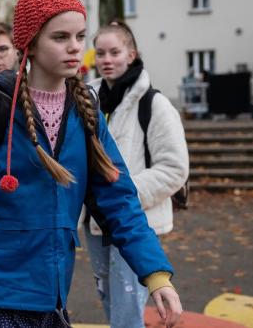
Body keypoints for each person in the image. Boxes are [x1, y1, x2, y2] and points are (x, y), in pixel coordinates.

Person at [0, 0, 183, 327]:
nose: (75, 47)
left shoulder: (86, 110)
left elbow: (119, 200)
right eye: (60, 37)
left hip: (51, 292)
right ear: (29, 42)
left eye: (79, 36)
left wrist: (155, 274)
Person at [85, 20, 189, 328]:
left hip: (134, 220)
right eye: (100, 53)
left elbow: (175, 168)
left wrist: (121, 194)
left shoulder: (155, 104)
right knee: (109, 300)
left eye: (115, 52)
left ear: (132, 54)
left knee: (127, 307)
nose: (106, 60)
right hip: (94, 221)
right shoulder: (87, 100)